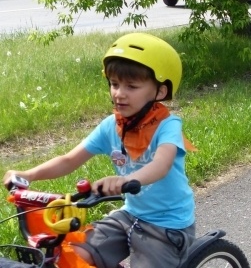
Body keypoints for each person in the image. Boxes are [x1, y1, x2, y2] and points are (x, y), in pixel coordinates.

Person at [3, 33, 197, 268]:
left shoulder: (167, 125)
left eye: (131, 86)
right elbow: (68, 160)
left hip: (166, 226)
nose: (119, 93)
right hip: (129, 215)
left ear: (160, 92)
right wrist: (28, 174)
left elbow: (161, 165)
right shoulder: (112, 126)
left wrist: (125, 180)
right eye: (114, 84)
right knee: (73, 253)